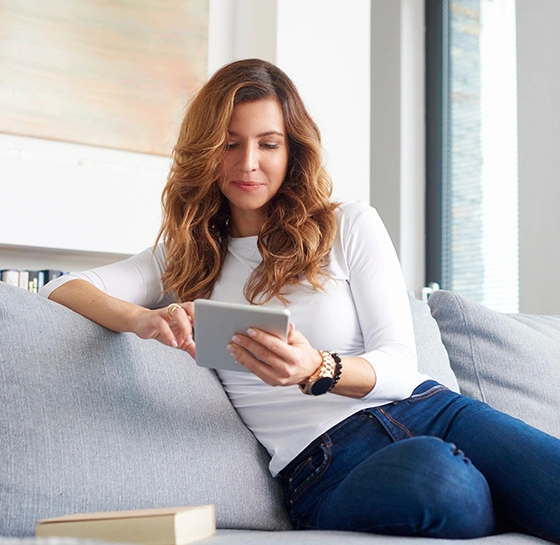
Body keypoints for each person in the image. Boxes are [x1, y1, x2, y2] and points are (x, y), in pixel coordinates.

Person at [40, 58, 560, 543]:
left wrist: (316, 368)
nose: (248, 163)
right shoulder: (184, 258)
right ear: (205, 151)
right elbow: (58, 288)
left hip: (435, 412)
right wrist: (147, 320)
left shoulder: (348, 224)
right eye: (229, 143)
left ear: (292, 151)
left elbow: (401, 365)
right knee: (444, 482)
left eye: (268, 143)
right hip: (328, 463)